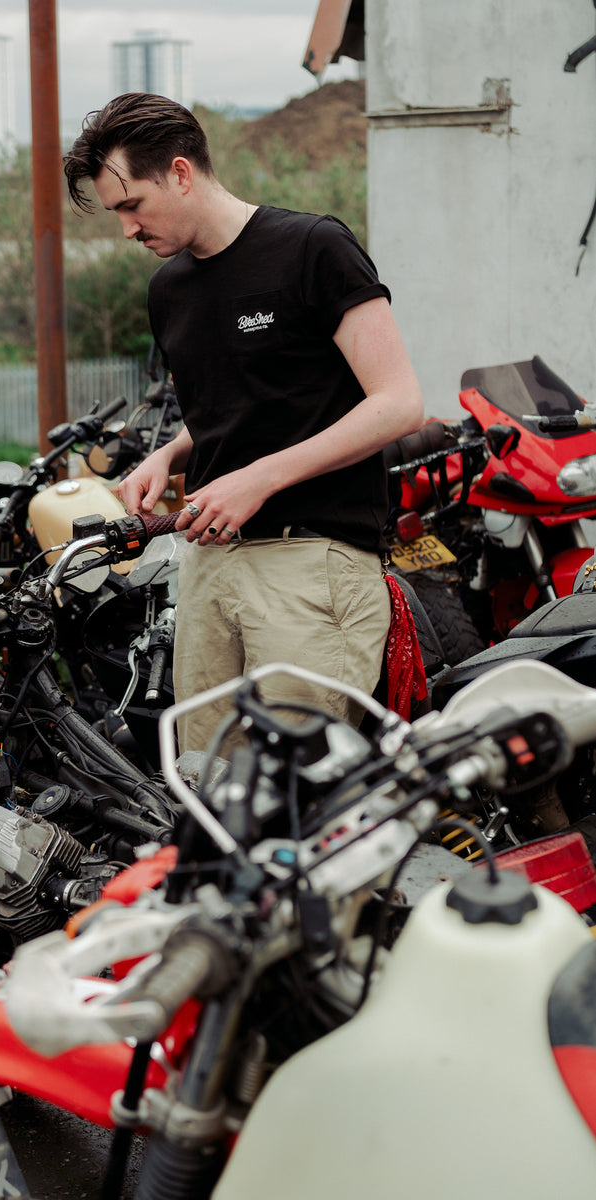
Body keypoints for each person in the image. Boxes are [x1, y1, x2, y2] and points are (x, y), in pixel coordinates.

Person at [63, 93, 425, 754]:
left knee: (299, 800)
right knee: (207, 789)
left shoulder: (312, 247)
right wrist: (167, 455)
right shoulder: (167, 289)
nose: (126, 232)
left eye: (130, 206)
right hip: (208, 565)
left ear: (179, 172)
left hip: (310, 560)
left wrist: (256, 479)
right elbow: (238, 409)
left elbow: (397, 404)